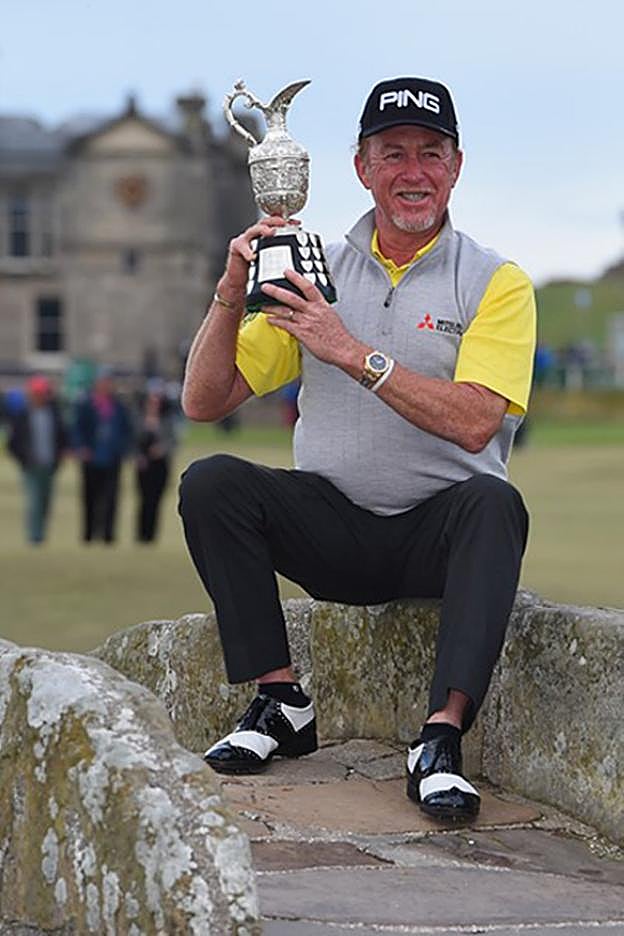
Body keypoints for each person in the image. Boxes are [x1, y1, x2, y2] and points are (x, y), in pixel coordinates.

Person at [178, 76, 535, 821]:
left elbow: (476, 423)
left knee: (496, 502)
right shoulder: (313, 266)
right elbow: (205, 402)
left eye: (430, 154)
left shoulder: (496, 282)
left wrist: (350, 352)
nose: (414, 172)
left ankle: (440, 738)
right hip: (333, 527)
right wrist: (230, 287)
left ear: (457, 166)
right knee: (212, 484)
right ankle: (280, 703)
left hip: (437, 538)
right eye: (392, 153)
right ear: (361, 168)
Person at [72, 366, 132, 543]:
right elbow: (78, 429)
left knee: (111, 497)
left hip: (112, 458)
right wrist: (82, 447)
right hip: (91, 459)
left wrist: (123, 448)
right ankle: (89, 534)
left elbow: (126, 430)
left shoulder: (118, 406)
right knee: (90, 498)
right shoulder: (86, 405)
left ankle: (108, 535)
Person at [6, 375, 67, 544]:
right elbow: (13, 443)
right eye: (37, 392)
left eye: (43, 392)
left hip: (49, 465)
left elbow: (62, 438)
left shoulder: (54, 414)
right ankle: (34, 537)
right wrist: (23, 460)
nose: (40, 396)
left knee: (46, 502)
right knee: (34, 502)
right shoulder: (22, 415)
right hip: (31, 466)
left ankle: (41, 534)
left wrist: (59, 458)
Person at [134, 379, 178, 542]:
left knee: (156, 500)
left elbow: (173, 441)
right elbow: (135, 439)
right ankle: (140, 534)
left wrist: (162, 449)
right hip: (144, 464)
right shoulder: (139, 418)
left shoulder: (167, 420)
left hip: (160, 464)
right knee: (143, 500)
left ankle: (151, 536)